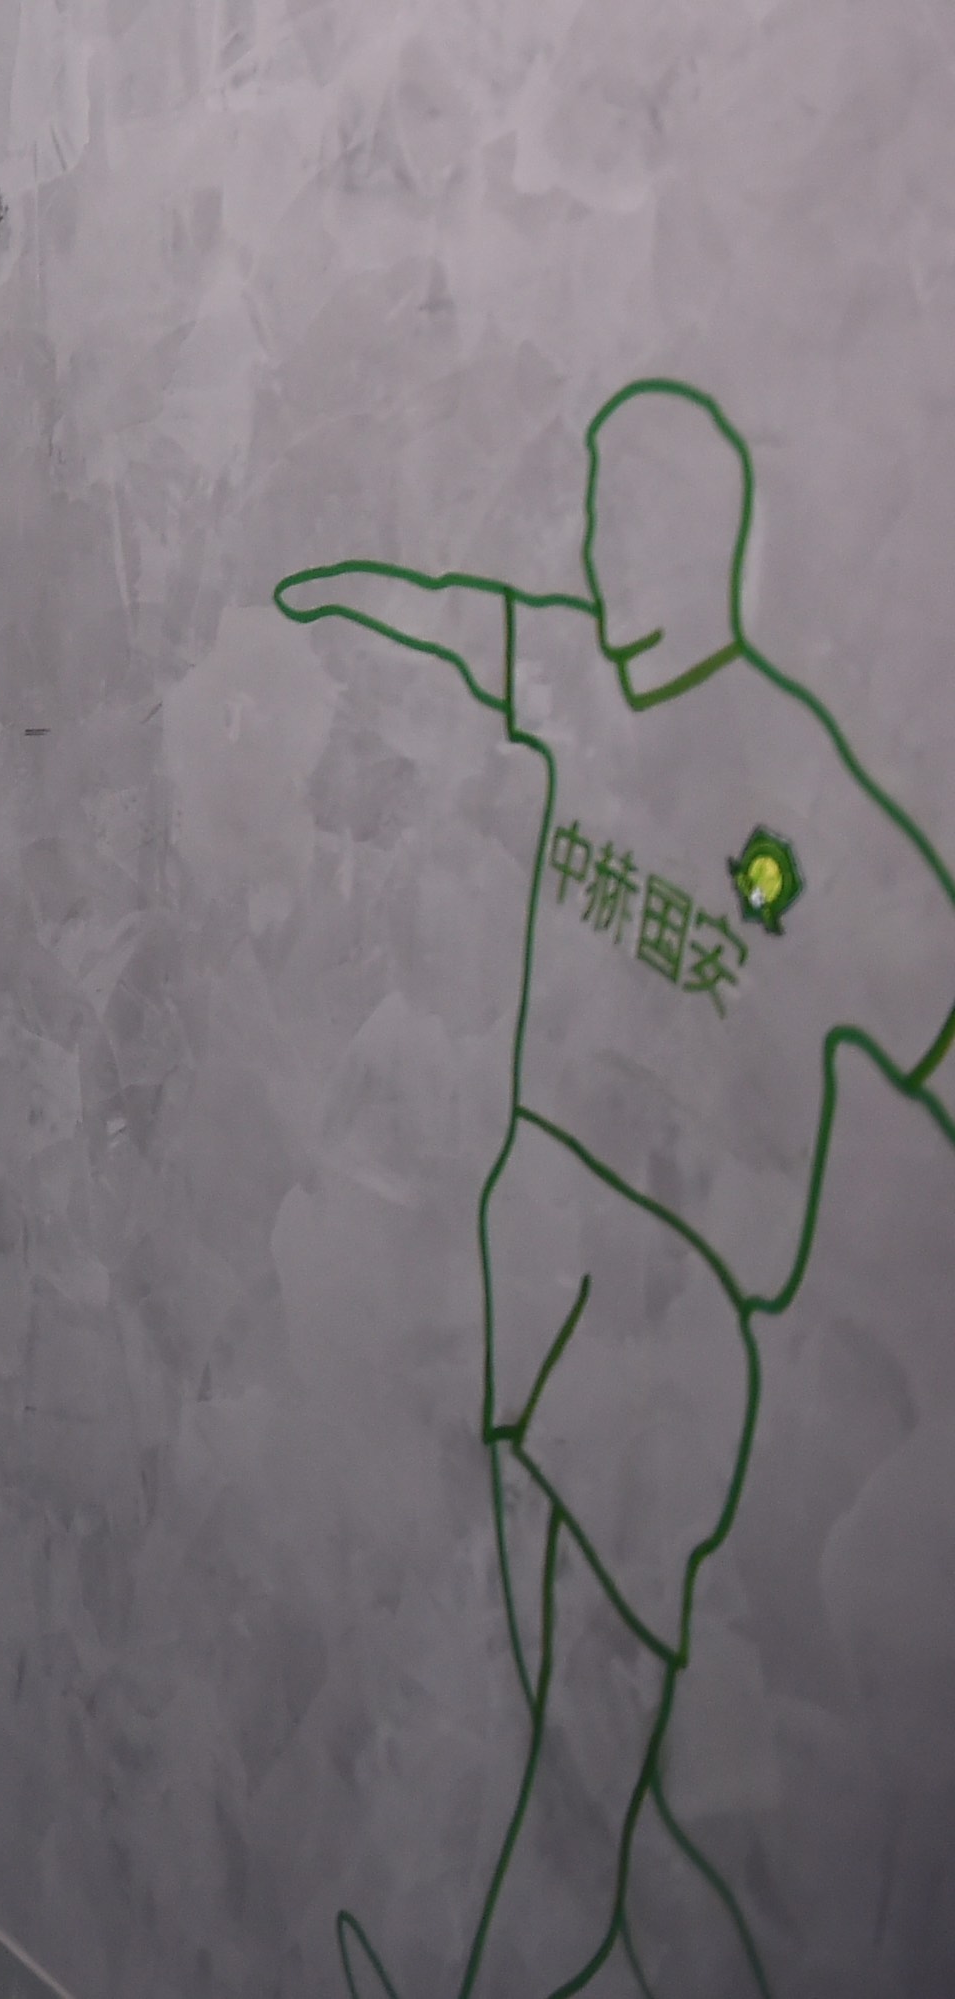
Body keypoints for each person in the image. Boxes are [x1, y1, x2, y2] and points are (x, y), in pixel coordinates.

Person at [277, 380, 955, 1994]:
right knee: (546, 1613)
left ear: (707, 540)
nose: (598, 543)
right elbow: (453, 615)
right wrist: (330, 584)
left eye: (629, 517)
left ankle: (599, 1933)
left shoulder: (792, 774)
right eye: (596, 511)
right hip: (547, 1223)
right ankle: (599, 1928)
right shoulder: (580, 673)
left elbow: (925, 987)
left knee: (615, 1656)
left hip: (676, 1291)